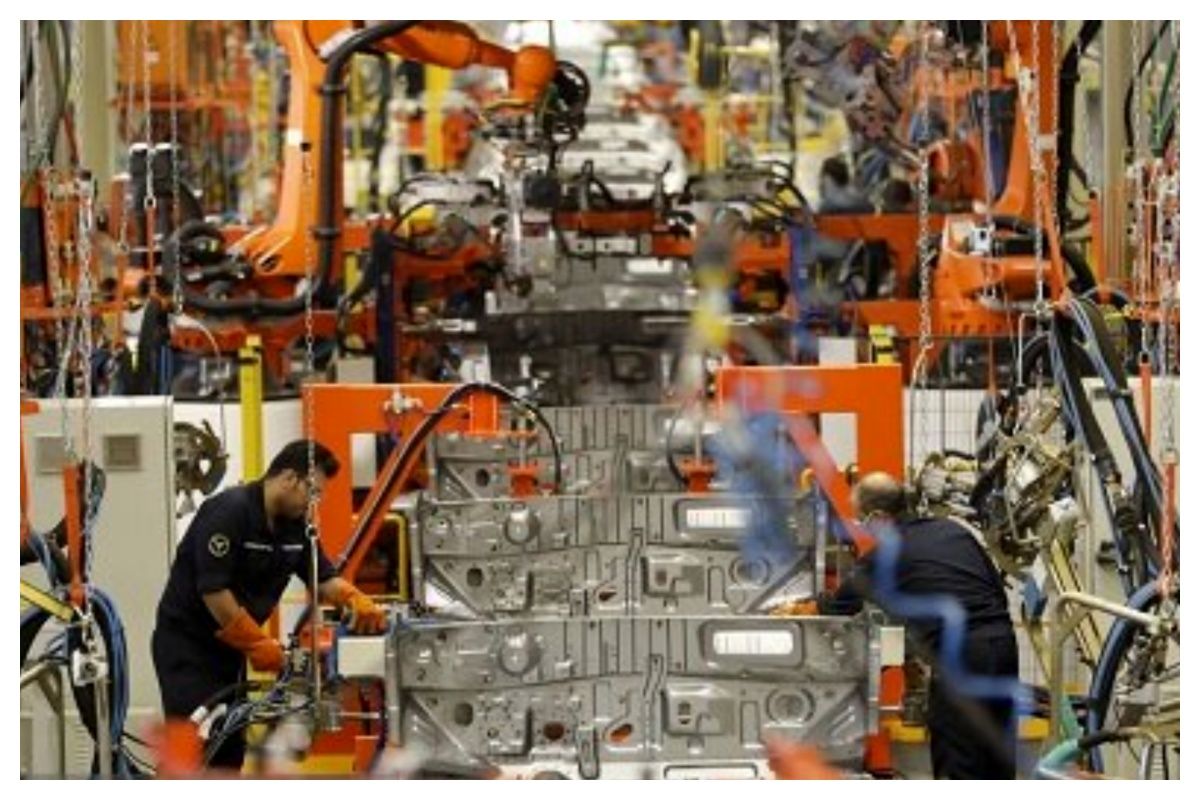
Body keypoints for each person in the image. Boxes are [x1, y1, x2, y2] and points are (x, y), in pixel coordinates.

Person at [151, 440, 387, 770]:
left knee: (228, 750)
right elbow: (214, 591)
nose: (315, 502)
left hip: (230, 652)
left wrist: (357, 601)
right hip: (187, 647)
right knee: (194, 750)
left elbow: (323, 578)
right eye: (313, 492)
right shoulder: (228, 512)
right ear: (290, 479)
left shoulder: (297, 527)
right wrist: (257, 643)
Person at [819, 472, 1018, 779]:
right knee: (996, 757)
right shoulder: (954, 531)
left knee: (959, 761)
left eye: (862, 521)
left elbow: (836, 609)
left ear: (879, 517)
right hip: (1004, 646)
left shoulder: (885, 554)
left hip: (961, 660)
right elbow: (996, 592)